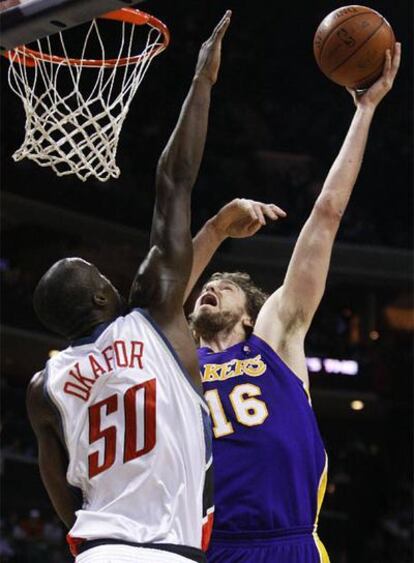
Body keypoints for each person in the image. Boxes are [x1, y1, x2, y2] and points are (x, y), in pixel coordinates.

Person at [26, 12, 231, 563]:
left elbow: (56, 487)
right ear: (99, 298)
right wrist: (201, 82)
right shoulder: (154, 319)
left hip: (99, 548)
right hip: (167, 549)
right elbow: (174, 182)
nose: (109, 278)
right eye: (99, 275)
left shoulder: (45, 385)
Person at [187, 44, 401, 563]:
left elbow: (326, 215)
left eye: (225, 284)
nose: (209, 286)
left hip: (289, 543)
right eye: (205, 285)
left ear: (248, 313)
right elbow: (157, 291)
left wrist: (365, 111)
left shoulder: (275, 339)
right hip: (205, 548)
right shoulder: (176, 359)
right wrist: (213, 230)